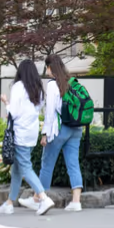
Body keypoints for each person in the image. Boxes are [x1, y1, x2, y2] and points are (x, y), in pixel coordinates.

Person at [0, 59, 55, 216]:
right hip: (31, 132)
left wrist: (6, 102)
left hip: (20, 132)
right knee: (17, 169)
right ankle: (9, 203)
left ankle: (43, 197)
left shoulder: (18, 87)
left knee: (25, 167)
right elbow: (37, 109)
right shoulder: (38, 89)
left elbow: (13, 112)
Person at [38, 55, 83, 212]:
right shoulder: (71, 82)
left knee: (47, 164)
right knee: (73, 164)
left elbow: (50, 112)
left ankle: (40, 199)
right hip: (76, 128)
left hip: (60, 129)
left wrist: (45, 133)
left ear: (50, 67)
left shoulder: (52, 84)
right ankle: (76, 202)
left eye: (47, 67)